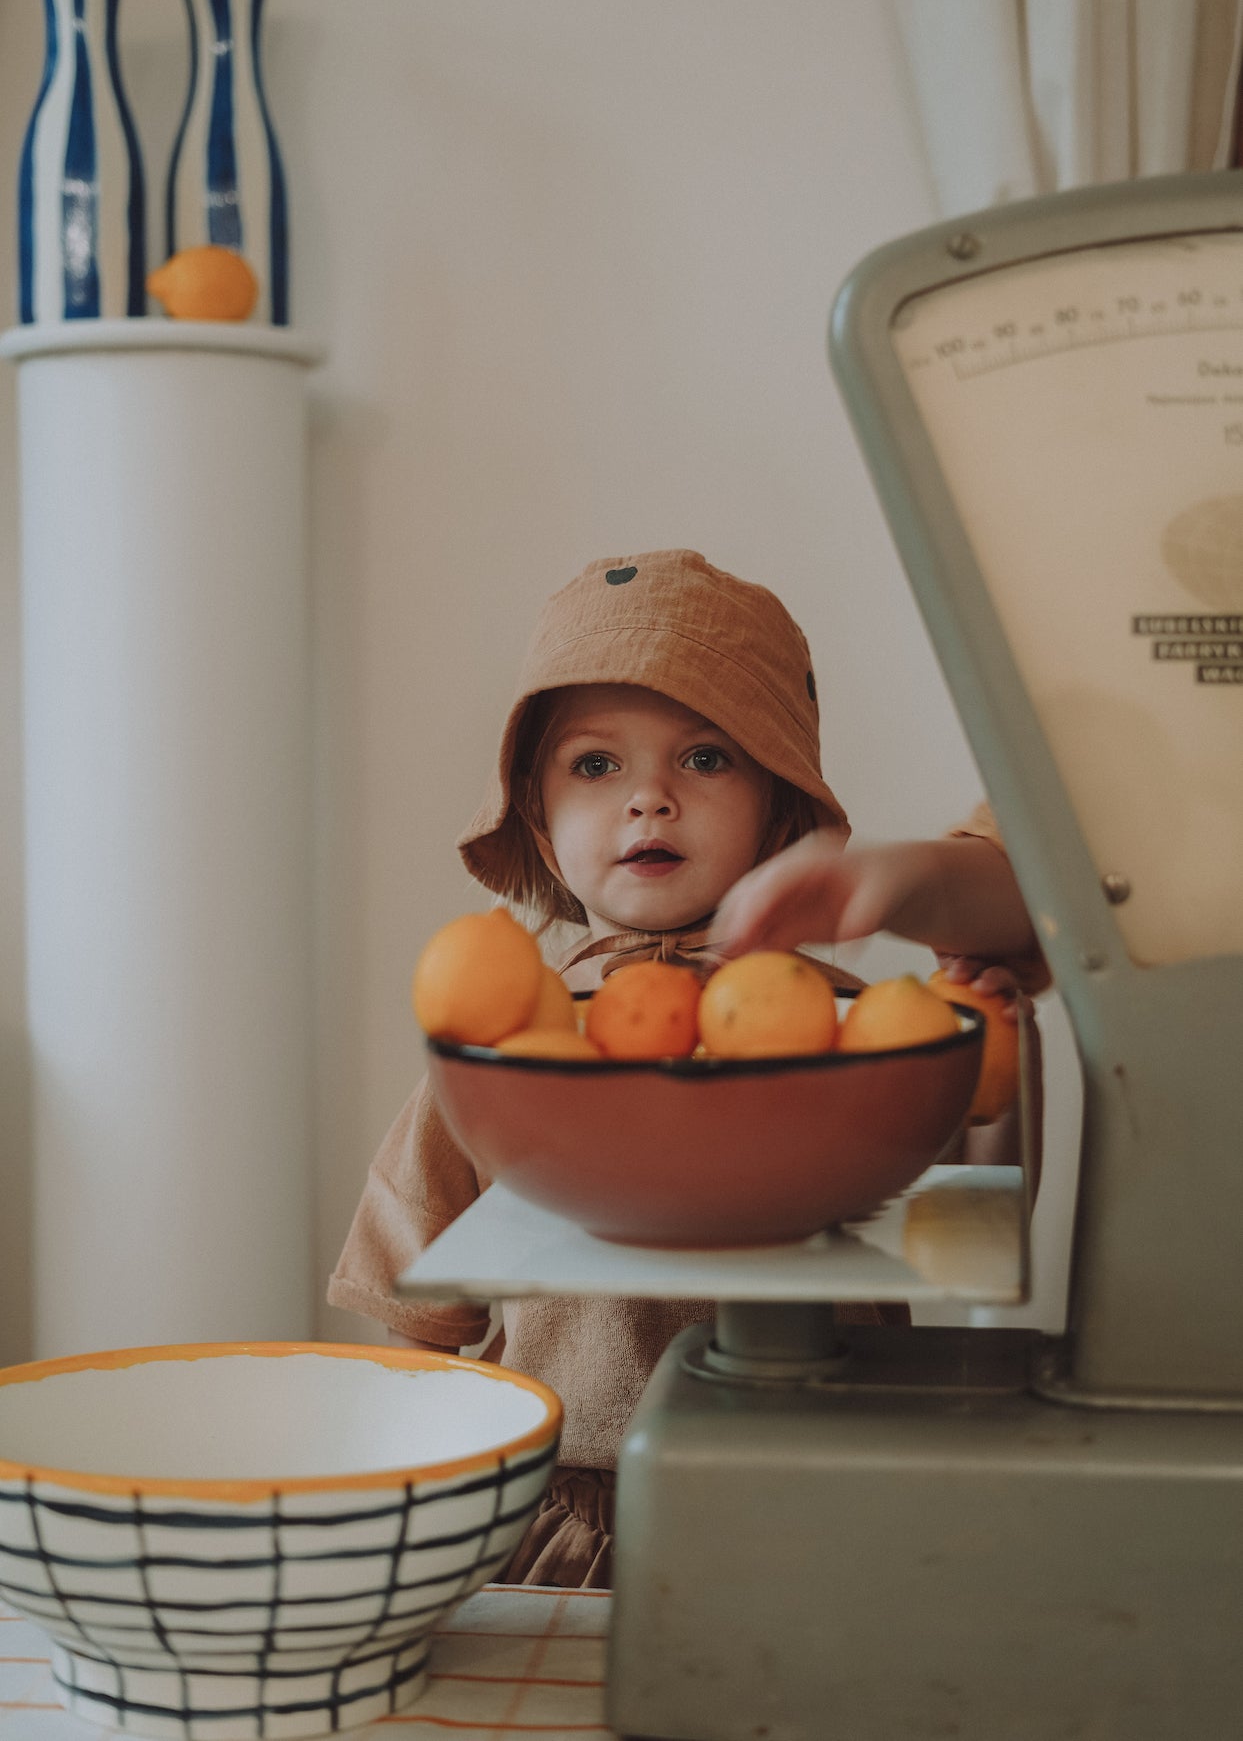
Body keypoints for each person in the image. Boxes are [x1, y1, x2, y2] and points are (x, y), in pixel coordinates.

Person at [327, 549, 1046, 1587]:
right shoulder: (510, 1047)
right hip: (566, 1522)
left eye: (705, 759)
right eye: (594, 764)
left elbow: (977, 1206)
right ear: (538, 816)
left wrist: (990, 1023)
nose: (650, 800)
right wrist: (410, 1526)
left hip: (824, 1501)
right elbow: (412, 1312)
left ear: (780, 809)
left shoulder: (853, 1035)